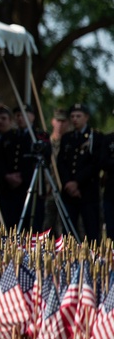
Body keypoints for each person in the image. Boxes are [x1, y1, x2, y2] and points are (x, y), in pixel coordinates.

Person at [58, 103, 101, 240]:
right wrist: (68, 183)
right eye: (72, 116)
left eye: (78, 116)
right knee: (68, 232)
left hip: (87, 191)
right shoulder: (67, 138)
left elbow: (95, 163)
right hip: (69, 192)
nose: (75, 119)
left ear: (86, 117)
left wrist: (77, 182)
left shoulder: (95, 137)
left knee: (91, 231)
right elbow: (61, 163)